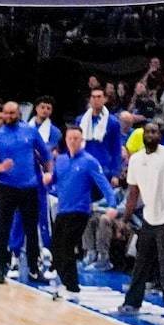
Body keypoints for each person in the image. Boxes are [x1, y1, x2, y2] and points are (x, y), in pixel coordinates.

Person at [120, 126, 164, 320]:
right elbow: (133, 193)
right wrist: (125, 219)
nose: (151, 135)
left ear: (161, 136)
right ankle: (132, 302)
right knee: (141, 262)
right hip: (149, 218)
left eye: (155, 132)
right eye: (148, 132)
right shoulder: (135, 159)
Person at [45, 124, 115, 300]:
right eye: (70, 138)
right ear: (66, 140)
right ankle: (66, 282)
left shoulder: (89, 161)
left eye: (76, 139)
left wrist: (112, 204)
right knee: (56, 248)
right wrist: (47, 179)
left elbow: (103, 183)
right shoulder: (60, 160)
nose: (73, 142)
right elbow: (55, 179)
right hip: (63, 210)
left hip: (80, 211)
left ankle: (73, 287)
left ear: (82, 140)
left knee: (67, 248)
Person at [0, 101, 45, 284]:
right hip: (7, 188)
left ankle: (34, 269)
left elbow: (45, 154)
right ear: (2, 114)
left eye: (12, 113)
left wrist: (49, 172)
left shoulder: (30, 132)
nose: (9, 116)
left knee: (31, 229)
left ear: (19, 113)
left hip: (29, 187)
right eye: (6, 113)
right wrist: (0, 167)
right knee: (4, 228)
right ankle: (2, 267)